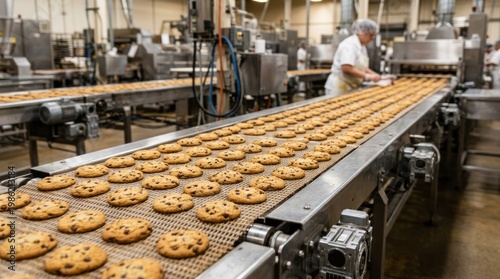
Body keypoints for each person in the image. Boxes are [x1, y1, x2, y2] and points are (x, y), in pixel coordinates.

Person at [324, 19, 381, 96]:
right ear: (362, 32)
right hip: (340, 85)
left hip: (350, 85)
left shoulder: (362, 46)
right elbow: (347, 68)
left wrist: (375, 75)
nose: (372, 39)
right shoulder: (349, 45)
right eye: (370, 35)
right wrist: (367, 76)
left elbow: (361, 67)